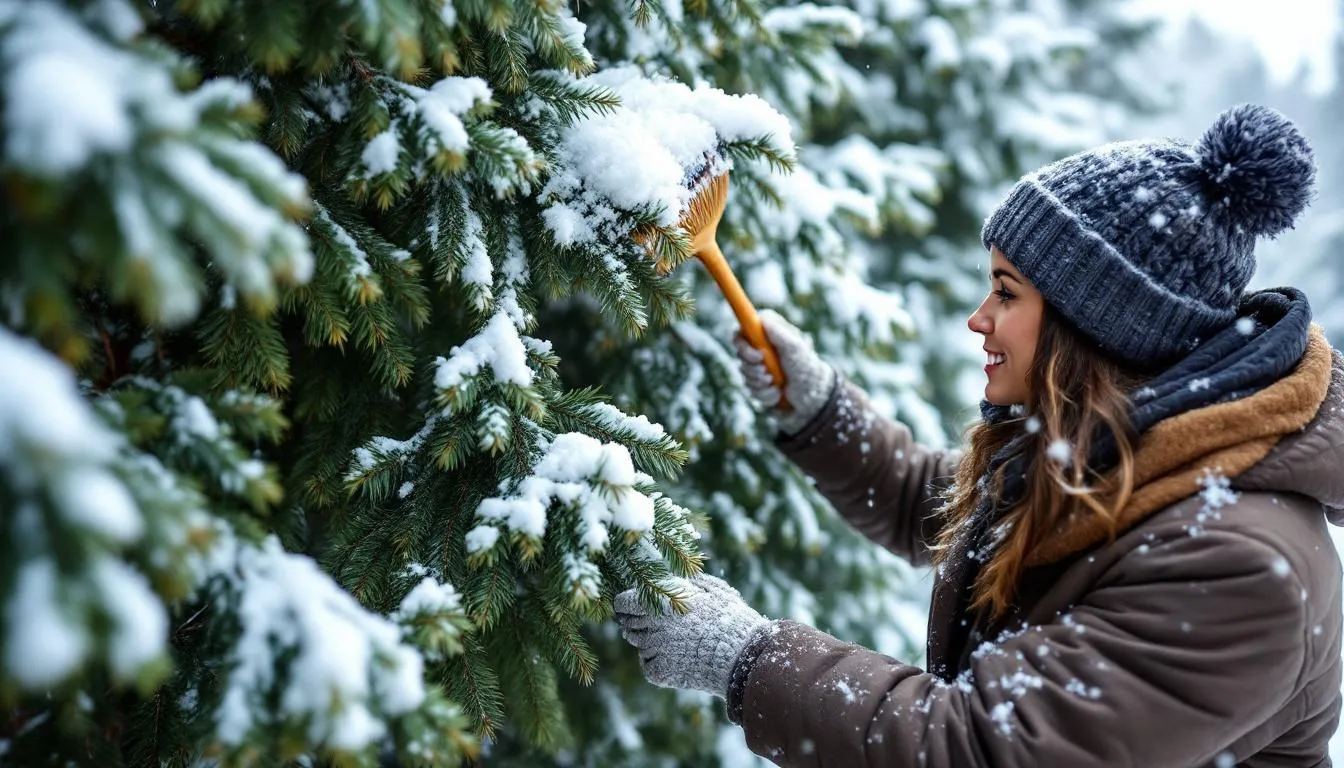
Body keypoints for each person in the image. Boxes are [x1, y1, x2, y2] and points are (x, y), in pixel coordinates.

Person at [614, 103, 1344, 766]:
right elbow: (946, 509)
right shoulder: (1130, 449)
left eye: (1006, 292)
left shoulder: (1240, 567)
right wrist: (820, 412)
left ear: (1092, 326)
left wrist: (747, 660)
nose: (978, 318)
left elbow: (983, 748)